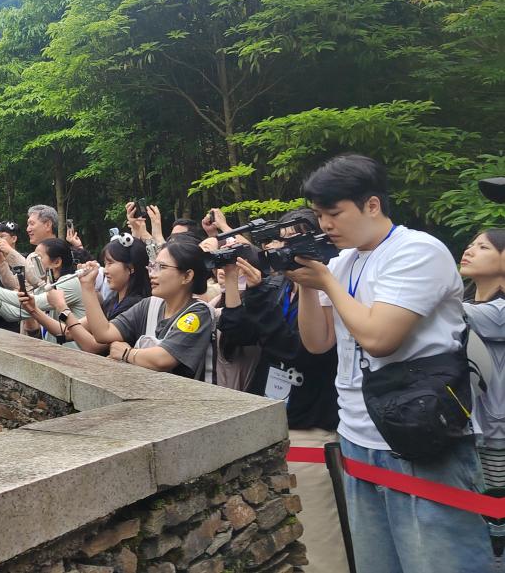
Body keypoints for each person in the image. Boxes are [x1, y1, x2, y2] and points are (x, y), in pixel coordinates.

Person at [286, 154, 492, 573]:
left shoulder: (417, 251)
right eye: (319, 215)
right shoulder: (343, 261)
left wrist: (325, 281)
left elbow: (379, 338)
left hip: (420, 434)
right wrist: (305, 286)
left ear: (373, 204)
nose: (325, 225)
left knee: (441, 562)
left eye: (334, 213)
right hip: (358, 433)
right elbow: (318, 341)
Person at [217, 209, 345, 573]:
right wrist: (235, 282)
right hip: (273, 419)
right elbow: (237, 333)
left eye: (295, 239)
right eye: (281, 238)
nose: (282, 248)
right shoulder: (277, 285)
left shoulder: (329, 288)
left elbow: (303, 353)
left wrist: (258, 297)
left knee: (320, 538)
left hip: (311, 427)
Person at [76, 236, 214, 375]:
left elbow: (163, 359)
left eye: (162, 267)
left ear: (187, 276)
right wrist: (87, 286)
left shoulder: (198, 313)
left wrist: (126, 353)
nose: (152, 274)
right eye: (153, 266)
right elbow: (103, 334)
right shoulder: (148, 305)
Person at [459, 229, 505, 561]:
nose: (470, 250)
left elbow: (441, 311)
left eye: (483, 246)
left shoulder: (500, 312)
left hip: (497, 437)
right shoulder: (465, 304)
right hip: (469, 433)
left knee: (495, 527)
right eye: (471, 244)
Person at [0, 237, 89, 342]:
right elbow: (12, 314)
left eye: (37, 258)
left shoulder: (70, 282)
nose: (32, 263)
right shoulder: (48, 285)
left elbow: (34, 302)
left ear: (57, 262)